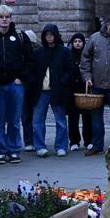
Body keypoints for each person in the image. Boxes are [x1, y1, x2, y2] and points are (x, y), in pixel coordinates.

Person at [0, 4, 33, 164]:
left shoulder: (20, 36)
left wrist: (21, 77)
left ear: (11, 19)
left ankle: (14, 150)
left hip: (15, 84)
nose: (4, 20)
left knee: (15, 120)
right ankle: (0, 151)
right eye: (1, 17)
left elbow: (30, 60)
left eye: (7, 17)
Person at [80, 13, 110, 157]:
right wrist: (87, 77)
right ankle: (97, 145)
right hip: (97, 85)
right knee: (96, 118)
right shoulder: (94, 39)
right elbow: (85, 59)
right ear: (108, 25)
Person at [30, 24, 76, 158]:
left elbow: (71, 70)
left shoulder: (64, 52)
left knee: (60, 120)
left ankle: (61, 146)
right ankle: (40, 146)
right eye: (47, 35)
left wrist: (62, 82)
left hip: (57, 90)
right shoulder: (38, 52)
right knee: (38, 120)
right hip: (41, 91)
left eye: (51, 34)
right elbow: (33, 70)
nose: (49, 37)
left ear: (55, 35)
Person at [66, 32, 94, 151]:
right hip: (72, 89)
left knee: (87, 117)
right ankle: (74, 141)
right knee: (73, 117)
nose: (78, 44)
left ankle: (88, 140)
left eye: (80, 41)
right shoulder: (68, 55)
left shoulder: (87, 55)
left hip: (85, 88)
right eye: (75, 41)